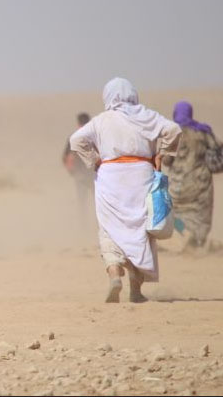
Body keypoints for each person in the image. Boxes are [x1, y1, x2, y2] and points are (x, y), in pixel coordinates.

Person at [70, 78, 181, 303]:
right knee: (140, 229)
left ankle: (114, 274)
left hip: (110, 177)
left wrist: (94, 160)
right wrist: (162, 154)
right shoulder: (147, 115)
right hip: (141, 174)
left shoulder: (102, 120)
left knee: (109, 229)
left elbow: (76, 139)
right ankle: (136, 291)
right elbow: (174, 129)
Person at [163, 101, 222, 251]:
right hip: (200, 187)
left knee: (172, 214)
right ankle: (198, 242)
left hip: (177, 187)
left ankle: (184, 233)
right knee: (199, 217)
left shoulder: (173, 134)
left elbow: (166, 160)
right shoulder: (204, 132)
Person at [62, 112, 96, 227]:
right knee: (99, 201)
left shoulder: (74, 137)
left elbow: (65, 157)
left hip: (80, 175)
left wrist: (72, 172)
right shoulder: (94, 136)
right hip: (94, 175)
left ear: (78, 123)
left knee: (82, 202)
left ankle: (83, 226)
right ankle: (99, 224)